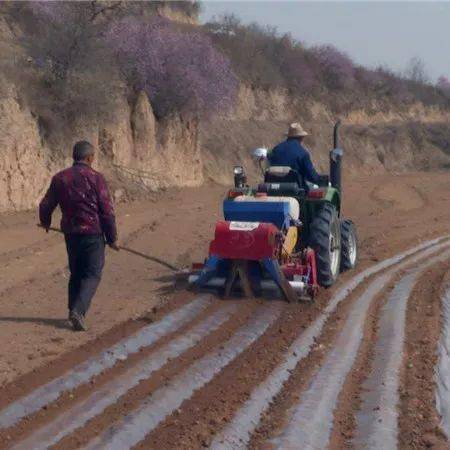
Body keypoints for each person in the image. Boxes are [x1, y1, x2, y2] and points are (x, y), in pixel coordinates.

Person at [39, 140, 119, 331]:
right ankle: (78, 311)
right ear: (90, 158)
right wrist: (112, 237)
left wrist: (45, 222)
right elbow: (106, 211)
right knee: (92, 274)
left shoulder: (60, 178)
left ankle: (72, 310)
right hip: (93, 233)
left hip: (71, 234)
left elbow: (45, 204)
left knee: (76, 272)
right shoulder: (96, 178)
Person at [268, 122, 321, 189]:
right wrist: (319, 179)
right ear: (301, 138)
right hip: (296, 191)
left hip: (273, 188)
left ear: (288, 136)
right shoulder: (303, 153)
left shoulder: (275, 150)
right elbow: (312, 177)